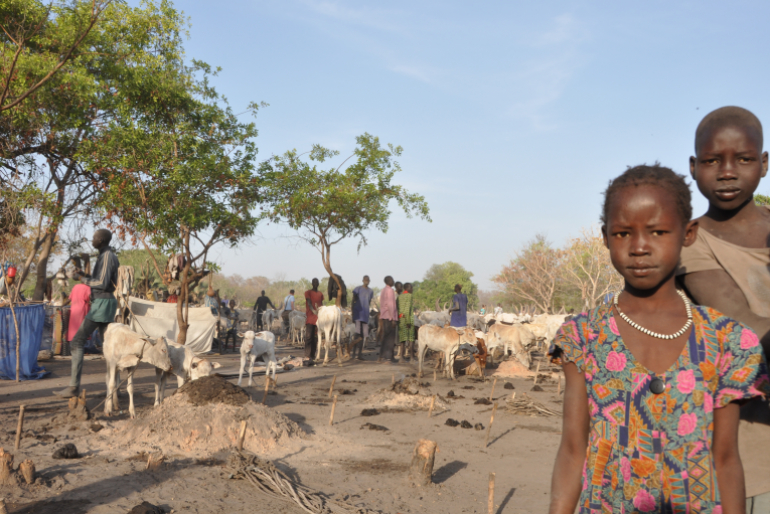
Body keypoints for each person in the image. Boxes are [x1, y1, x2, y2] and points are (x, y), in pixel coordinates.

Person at [548, 165, 769, 514]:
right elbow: (573, 450)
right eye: (622, 234)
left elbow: (726, 460)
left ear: (688, 233)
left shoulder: (728, 340)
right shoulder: (583, 336)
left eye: (658, 231)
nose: (639, 247)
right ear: (605, 237)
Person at [677, 106, 770, 510]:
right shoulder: (692, 241)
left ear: (764, 164)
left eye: (744, 159)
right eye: (713, 161)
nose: (728, 171)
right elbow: (745, 329)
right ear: (694, 168)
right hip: (751, 454)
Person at [54, 229, 120, 398]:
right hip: (104, 302)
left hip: (102, 304)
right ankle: (116, 389)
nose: (92, 240)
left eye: (95, 237)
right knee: (109, 348)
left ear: (102, 239)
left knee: (76, 342)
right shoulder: (106, 256)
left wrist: (81, 279)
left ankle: (74, 387)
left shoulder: (106, 257)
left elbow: (102, 283)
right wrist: (83, 274)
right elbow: (100, 280)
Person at [351, 276, 373, 360]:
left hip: (365, 315)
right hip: (357, 314)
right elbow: (353, 301)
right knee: (357, 334)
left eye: (368, 280)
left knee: (363, 335)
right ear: (363, 280)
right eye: (365, 280)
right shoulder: (357, 289)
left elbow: (369, 302)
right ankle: (353, 353)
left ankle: (359, 354)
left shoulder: (370, 291)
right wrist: (353, 313)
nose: (366, 281)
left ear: (369, 281)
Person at [378, 276, 398, 363]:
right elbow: (390, 305)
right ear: (389, 281)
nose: (393, 281)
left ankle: (382, 357)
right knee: (390, 338)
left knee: (385, 337)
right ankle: (388, 358)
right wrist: (392, 318)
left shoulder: (383, 290)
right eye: (392, 280)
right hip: (389, 316)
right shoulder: (390, 290)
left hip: (384, 315)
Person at [303, 279, 324, 365]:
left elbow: (321, 304)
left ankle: (313, 355)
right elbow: (309, 302)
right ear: (312, 283)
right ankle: (307, 355)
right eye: (314, 282)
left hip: (318, 318)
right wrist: (313, 310)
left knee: (315, 338)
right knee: (308, 337)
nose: (315, 284)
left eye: (317, 282)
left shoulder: (320, 294)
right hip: (310, 317)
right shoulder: (308, 292)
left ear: (318, 284)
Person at [397, 283, 415, 362]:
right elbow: (408, 309)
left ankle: (401, 358)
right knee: (411, 339)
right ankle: (411, 358)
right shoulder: (409, 296)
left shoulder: (399, 297)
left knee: (402, 340)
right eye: (412, 288)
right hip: (408, 320)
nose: (412, 290)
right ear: (408, 288)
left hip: (401, 319)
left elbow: (397, 309)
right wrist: (408, 321)